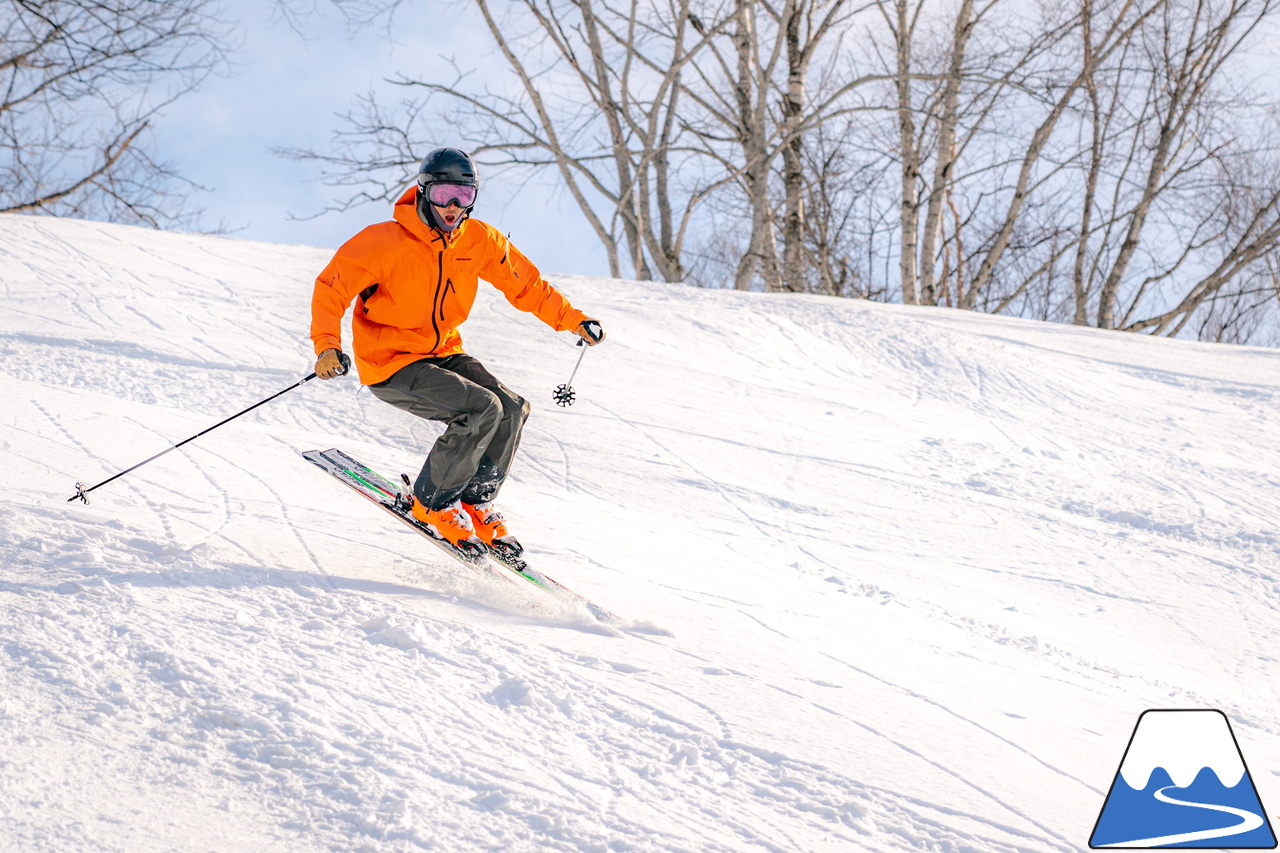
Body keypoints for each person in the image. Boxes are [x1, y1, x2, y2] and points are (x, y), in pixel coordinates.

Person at [309, 147, 605, 557]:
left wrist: (573, 319)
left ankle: (475, 502)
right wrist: (328, 347)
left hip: (443, 350)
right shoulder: (383, 241)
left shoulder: (478, 239)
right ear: (424, 192)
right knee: (480, 408)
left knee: (511, 408)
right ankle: (432, 503)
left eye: (464, 196)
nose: (452, 206)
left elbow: (525, 284)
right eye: (444, 194)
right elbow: (331, 289)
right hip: (391, 361)